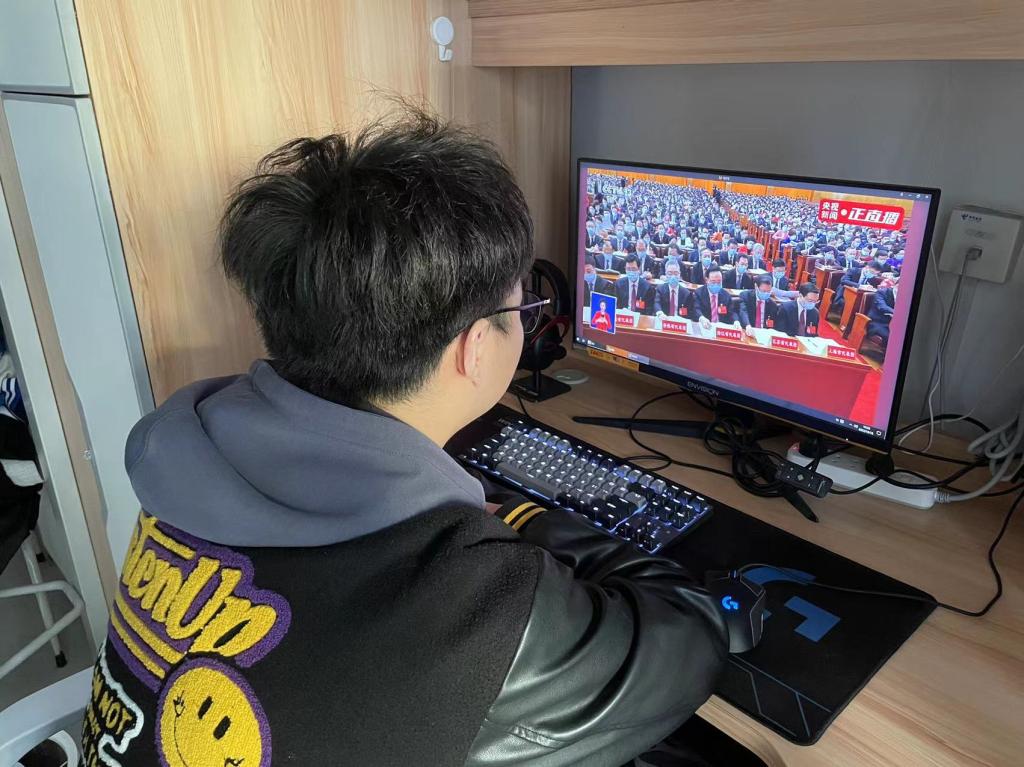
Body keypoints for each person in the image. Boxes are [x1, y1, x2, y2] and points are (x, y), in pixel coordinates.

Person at [79, 113, 727, 767]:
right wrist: (519, 517)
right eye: (522, 310)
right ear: (476, 347)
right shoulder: (466, 599)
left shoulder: (195, 452)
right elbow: (689, 635)